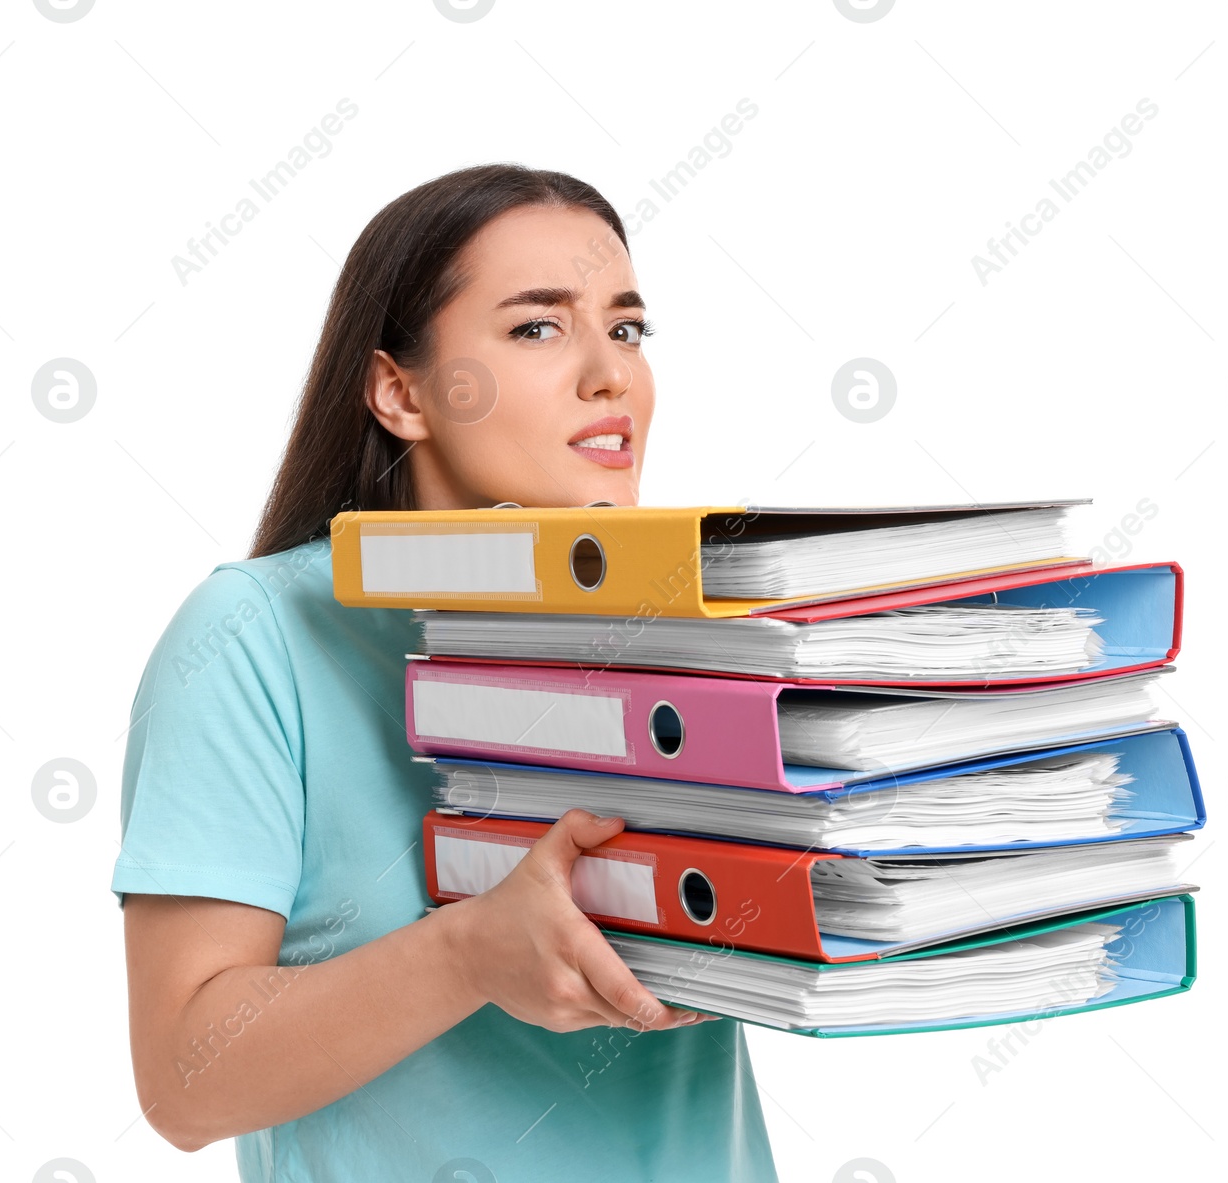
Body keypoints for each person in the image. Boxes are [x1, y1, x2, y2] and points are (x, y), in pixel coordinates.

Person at [113, 164, 779, 1181]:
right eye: (537, 328)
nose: (610, 374)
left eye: (629, 328)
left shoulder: (687, 630)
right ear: (399, 390)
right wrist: (469, 951)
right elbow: (181, 1082)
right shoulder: (254, 639)